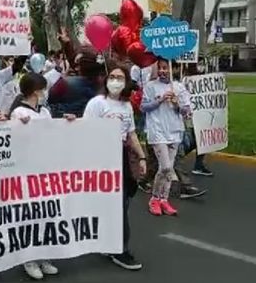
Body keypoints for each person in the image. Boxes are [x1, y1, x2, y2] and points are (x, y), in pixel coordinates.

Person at [83, 63, 146, 271]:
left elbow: (131, 134)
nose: (116, 81)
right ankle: (120, 250)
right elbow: (86, 132)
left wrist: (142, 157)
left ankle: (109, 242)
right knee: (117, 207)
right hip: (103, 160)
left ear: (127, 82)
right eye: (112, 76)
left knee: (123, 203)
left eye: (120, 77)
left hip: (122, 158)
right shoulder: (97, 104)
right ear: (106, 79)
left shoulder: (127, 106)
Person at [9, 73, 60, 280]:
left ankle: (44, 255)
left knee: (46, 214)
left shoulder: (45, 111)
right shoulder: (19, 112)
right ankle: (28, 257)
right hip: (26, 169)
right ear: (34, 91)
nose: (45, 93)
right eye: (42, 89)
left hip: (45, 167)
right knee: (30, 215)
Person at [141, 59, 191, 216]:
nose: (162, 71)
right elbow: (143, 107)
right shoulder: (150, 86)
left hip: (174, 132)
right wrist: (160, 100)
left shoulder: (179, 88)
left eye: (165, 68)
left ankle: (164, 199)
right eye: (160, 68)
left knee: (167, 170)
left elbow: (187, 112)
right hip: (157, 131)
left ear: (173, 69)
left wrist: (177, 104)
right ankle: (154, 198)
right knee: (166, 167)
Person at [48, 48, 105, 118]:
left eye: (77, 64)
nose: (75, 67)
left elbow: (49, 105)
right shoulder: (104, 87)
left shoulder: (64, 83)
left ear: (80, 67)